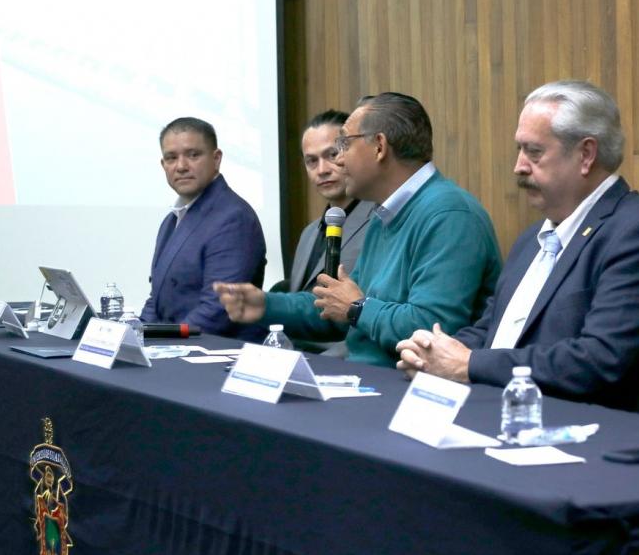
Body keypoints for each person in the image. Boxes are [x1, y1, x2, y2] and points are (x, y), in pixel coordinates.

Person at [396, 80, 639, 414]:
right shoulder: (533, 239)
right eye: (519, 150)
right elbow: (494, 330)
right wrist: (433, 352)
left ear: (586, 155)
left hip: (595, 430)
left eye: (534, 152)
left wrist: (468, 364)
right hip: (507, 414)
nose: (519, 166)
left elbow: (598, 361)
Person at [216, 92, 502, 365]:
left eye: (344, 145)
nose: (338, 160)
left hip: (406, 387)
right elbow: (338, 309)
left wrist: (358, 308)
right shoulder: (384, 215)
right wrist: (265, 305)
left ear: (379, 147)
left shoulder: (450, 214)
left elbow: (431, 331)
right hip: (367, 378)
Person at [142, 117, 266, 339]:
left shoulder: (233, 217)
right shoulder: (171, 220)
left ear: (216, 159)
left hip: (216, 352)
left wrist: (161, 342)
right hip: (174, 348)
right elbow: (157, 300)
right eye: (171, 158)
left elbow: (217, 311)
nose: (181, 166)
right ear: (163, 165)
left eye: (193, 155)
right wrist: (136, 335)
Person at [286, 109, 376, 291]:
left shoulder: (379, 222)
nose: (322, 170)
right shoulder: (308, 234)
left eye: (332, 154)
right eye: (312, 161)